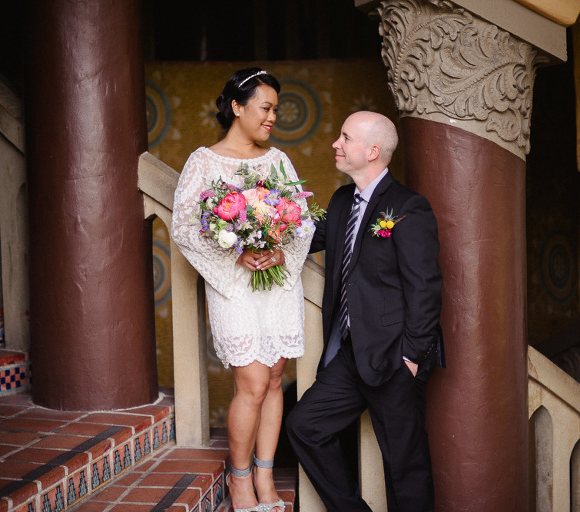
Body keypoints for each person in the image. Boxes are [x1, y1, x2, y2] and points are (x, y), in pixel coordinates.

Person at [286, 111, 443, 512]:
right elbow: (303, 238)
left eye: (345, 137)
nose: (335, 144)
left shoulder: (409, 206)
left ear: (372, 151)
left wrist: (411, 356)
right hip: (351, 355)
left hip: (394, 357)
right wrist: (256, 223)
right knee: (305, 427)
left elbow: (424, 287)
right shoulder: (341, 202)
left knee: (405, 466)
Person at [172, 67, 313, 512]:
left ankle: (266, 478)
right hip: (233, 285)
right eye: (265, 108)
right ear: (237, 106)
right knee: (251, 380)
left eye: (275, 109)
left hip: (274, 286)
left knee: (274, 379)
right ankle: (239, 480)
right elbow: (184, 227)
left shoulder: (277, 162)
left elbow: (302, 221)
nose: (272, 117)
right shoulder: (203, 161)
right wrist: (236, 255)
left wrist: (279, 253)